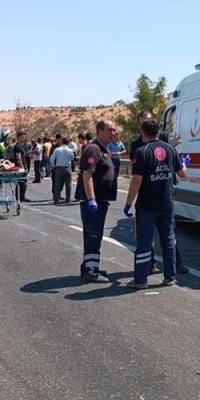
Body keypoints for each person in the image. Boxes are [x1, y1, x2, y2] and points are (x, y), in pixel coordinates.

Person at [123, 119, 188, 289]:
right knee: (168, 240)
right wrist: (186, 164)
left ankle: (140, 280)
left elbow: (136, 181)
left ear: (143, 133)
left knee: (144, 242)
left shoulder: (141, 152)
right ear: (158, 132)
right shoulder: (170, 149)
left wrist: (128, 203)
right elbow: (182, 174)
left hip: (146, 206)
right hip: (166, 203)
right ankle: (169, 277)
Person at [75, 120, 119, 283]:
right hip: (93, 202)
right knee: (93, 235)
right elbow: (87, 176)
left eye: (114, 130)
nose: (113, 132)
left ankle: (89, 266)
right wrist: (91, 199)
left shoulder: (104, 150)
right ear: (100, 131)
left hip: (101, 200)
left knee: (95, 234)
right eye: (110, 129)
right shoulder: (93, 149)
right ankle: (91, 271)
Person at [50, 137, 74, 204]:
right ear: (68, 143)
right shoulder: (70, 150)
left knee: (57, 184)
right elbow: (72, 158)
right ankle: (68, 199)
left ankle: (56, 199)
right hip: (67, 167)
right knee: (68, 184)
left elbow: (52, 159)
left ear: (62, 142)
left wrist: (53, 166)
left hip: (59, 168)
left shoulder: (57, 150)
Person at [13, 132, 31, 202]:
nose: (24, 138)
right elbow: (18, 158)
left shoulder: (20, 146)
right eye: (23, 137)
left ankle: (21, 197)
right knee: (22, 183)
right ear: (19, 137)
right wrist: (22, 167)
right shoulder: (17, 147)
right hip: (20, 167)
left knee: (23, 183)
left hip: (22, 166)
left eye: (24, 137)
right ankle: (20, 197)